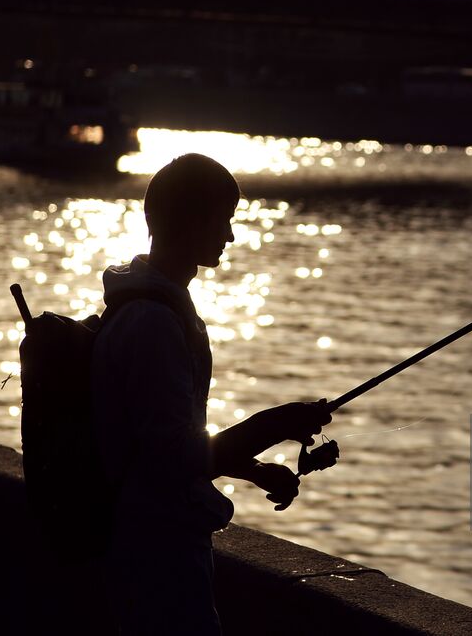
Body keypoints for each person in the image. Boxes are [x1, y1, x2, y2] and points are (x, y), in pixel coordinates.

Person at [91, 152, 331, 635]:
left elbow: (159, 439)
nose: (230, 236)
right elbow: (172, 459)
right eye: (222, 220)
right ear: (188, 221)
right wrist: (272, 426)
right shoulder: (154, 322)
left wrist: (253, 467)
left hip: (150, 545)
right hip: (155, 555)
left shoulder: (149, 306)